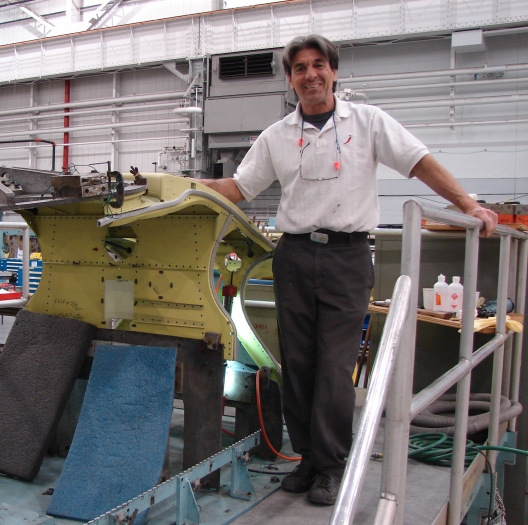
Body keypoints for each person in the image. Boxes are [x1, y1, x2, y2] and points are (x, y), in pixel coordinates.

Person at [197, 34, 497, 506]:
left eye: (319, 65)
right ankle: (309, 459)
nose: (310, 74)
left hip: (347, 257)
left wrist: (467, 204)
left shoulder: (368, 122)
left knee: (335, 369)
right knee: (297, 365)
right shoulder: (277, 136)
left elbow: (417, 162)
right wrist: (180, 186)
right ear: (291, 79)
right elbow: (237, 187)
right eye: (300, 68)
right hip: (294, 257)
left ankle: (331, 467)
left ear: (334, 71)